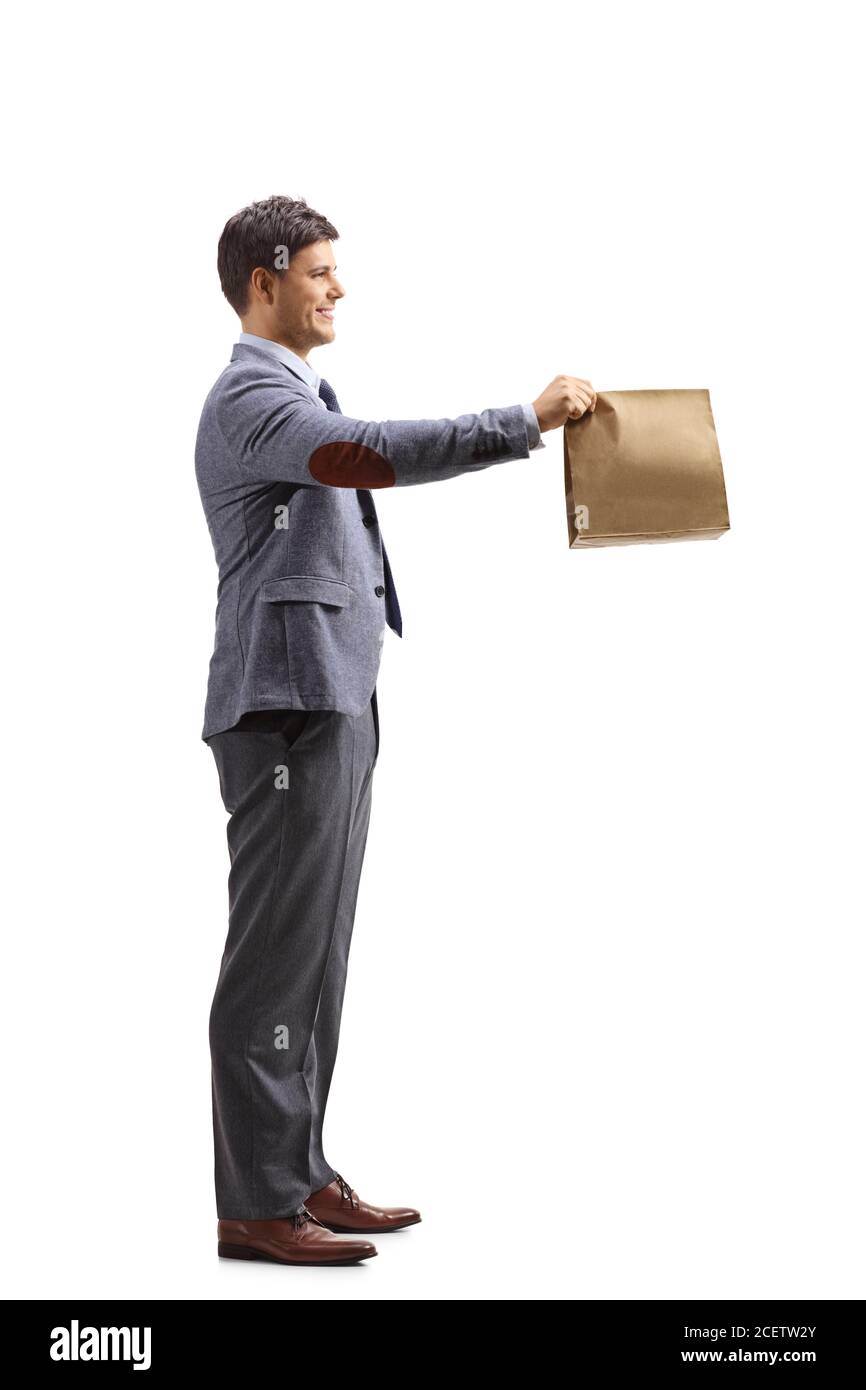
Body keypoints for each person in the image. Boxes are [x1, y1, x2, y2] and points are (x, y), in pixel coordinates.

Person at [196, 194, 596, 1266]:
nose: (338, 288)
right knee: (274, 963)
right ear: (263, 281)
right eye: (319, 271)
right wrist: (521, 421)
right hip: (283, 707)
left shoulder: (286, 389)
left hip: (327, 694)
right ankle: (254, 1204)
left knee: (316, 955)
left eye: (337, 269)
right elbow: (365, 453)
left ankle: (298, 1170)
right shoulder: (253, 398)